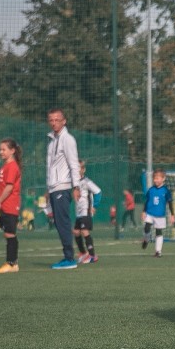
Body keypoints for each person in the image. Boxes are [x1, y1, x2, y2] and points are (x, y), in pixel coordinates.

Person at [46, 108, 82, 269]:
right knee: (59, 224)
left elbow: (74, 164)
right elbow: (50, 168)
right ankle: (68, 256)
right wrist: (48, 189)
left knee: (63, 223)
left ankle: (70, 258)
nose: (54, 123)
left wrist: (76, 186)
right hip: (54, 188)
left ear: (64, 121)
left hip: (63, 187)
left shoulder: (68, 139)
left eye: (57, 120)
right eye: (51, 120)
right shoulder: (52, 141)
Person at [0, 138, 23, 273]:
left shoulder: (12, 166)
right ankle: (12, 263)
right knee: (8, 233)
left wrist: (0, 200)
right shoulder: (5, 166)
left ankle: (11, 263)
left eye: (4, 149)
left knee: (10, 233)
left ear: (12, 151)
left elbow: (9, 187)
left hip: (10, 204)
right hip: (5, 205)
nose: (1, 152)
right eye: (0, 149)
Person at [141, 169, 175, 257]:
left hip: (160, 215)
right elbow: (147, 201)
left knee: (158, 232)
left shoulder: (166, 190)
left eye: (158, 178)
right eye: (154, 178)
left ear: (163, 179)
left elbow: (170, 202)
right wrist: (144, 211)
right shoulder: (151, 190)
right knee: (147, 227)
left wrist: (172, 215)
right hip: (150, 213)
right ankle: (146, 239)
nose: (156, 180)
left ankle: (158, 251)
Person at [74, 161, 102, 264]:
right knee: (76, 232)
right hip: (79, 212)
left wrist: (95, 206)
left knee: (84, 231)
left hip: (86, 211)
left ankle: (92, 255)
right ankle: (83, 253)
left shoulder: (86, 181)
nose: (77, 170)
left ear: (83, 169)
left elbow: (98, 192)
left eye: (79, 168)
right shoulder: (74, 183)